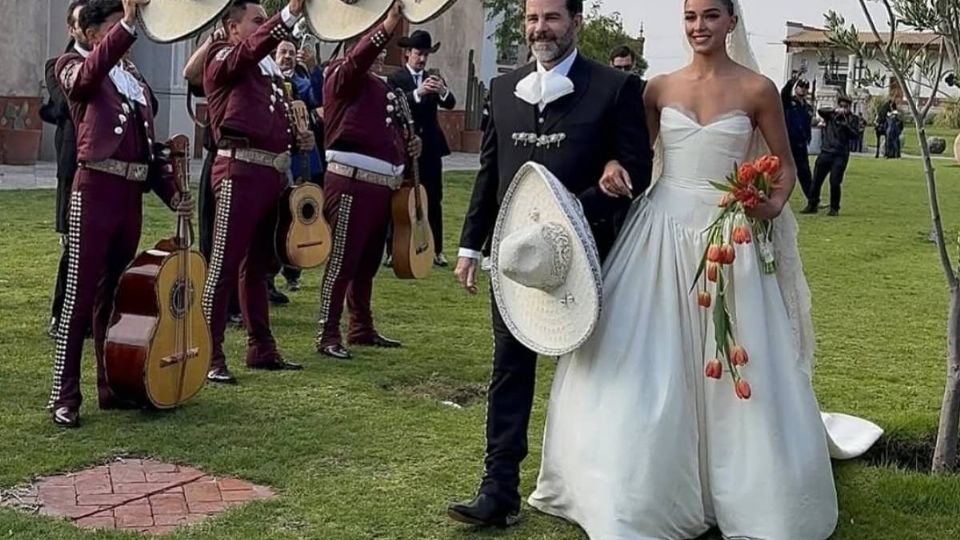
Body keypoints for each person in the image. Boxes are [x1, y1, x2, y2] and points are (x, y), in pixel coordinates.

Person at [526, 1, 882, 538]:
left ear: (731, 21)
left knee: (738, 359)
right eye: (691, 16)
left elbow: (784, 167)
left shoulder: (758, 89)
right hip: (659, 231)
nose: (699, 26)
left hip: (727, 237)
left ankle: (747, 489)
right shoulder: (658, 88)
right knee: (643, 358)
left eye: (711, 16)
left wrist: (772, 202)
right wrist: (615, 166)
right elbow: (635, 155)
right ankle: (637, 487)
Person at [446, 0, 652, 526]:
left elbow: (639, 170)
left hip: (593, 258)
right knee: (509, 369)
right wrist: (472, 246)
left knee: (597, 377)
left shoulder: (616, 87)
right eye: (533, 18)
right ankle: (499, 491)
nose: (541, 28)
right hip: (519, 259)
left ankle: (600, 492)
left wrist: (601, 189)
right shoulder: (501, 88)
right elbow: (490, 174)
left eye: (552, 17)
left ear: (575, 23)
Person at [48, 0, 193, 427]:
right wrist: (128, 25)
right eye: (114, 27)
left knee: (114, 297)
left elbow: (148, 149)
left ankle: (110, 385)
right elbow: (84, 81)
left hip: (129, 193)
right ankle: (64, 394)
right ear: (95, 35)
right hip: (94, 189)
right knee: (79, 296)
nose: (127, 34)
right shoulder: (70, 64)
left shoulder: (134, 79)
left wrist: (171, 193)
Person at [200, 0, 314, 384]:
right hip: (239, 169)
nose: (266, 26)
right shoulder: (222, 56)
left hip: (269, 173)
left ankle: (260, 347)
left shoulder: (265, 71)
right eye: (257, 20)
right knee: (224, 265)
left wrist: (298, 137)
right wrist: (287, 15)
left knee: (259, 267)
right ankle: (210, 352)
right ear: (233, 29)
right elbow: (247, 54)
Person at [314, 0, 421, 361]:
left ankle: (360, 325)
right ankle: (328, 332)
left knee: (368, 262)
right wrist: (385, 27)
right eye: (366, 41)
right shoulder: (339, 75)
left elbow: (389, 134)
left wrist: (408, 148)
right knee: (343, 259)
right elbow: (359, 59)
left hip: (382, 186)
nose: (375, 51)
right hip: (351, 181)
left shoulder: (385, 87)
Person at [182, 28, 244, 326]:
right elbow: (191, 75)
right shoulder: (220, 58)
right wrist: (212, 39)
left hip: (255, 164)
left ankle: (239, 302)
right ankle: (215, 303)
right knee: (215, 238)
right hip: (222, 156)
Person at [387, 30, 456, 268]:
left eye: (426, 54)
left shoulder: (433, 77)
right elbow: (394, 104)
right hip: (404, 146)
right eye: (419, 54)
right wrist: (419, 93)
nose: (423, 59)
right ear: (408, 53)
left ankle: (437, 249)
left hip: (431, 148)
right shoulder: (396, 79)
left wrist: (442, 91)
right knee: (399, 196)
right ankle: (392, 249)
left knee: (433, 197)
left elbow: (450, 103)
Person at [40, 0, 87, 339]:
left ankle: (94, 315)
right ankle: (62, 314)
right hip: (74, 167)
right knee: (73, 245)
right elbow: (63, 105)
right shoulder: (57, 65)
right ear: (72, 28)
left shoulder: (120, 67)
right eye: (80, 22)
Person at [804, 95, 858, 216]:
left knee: (835, 181)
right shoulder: (830, 116)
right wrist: (834, 111)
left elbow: (855, 134)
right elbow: (820, 111)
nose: (844, 108)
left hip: (840, 154)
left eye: (846, 106)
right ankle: (812, 204)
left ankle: (834, 207)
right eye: (841, 106)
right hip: (826, 151)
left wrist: (846, 126)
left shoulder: (853, 119)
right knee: (817, 180)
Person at [781, 72, 814, 201]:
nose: (803, 89)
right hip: (788, 142)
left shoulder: (807, 107)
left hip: (801, 143)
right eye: (800, 86)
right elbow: (784, 94)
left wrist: (808, 137)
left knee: (805, 172)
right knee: (782, 171)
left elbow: (807, 124)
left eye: (805, 87)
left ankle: (812, 200)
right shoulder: (789, 103)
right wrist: (791, 82)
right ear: (796, 88)